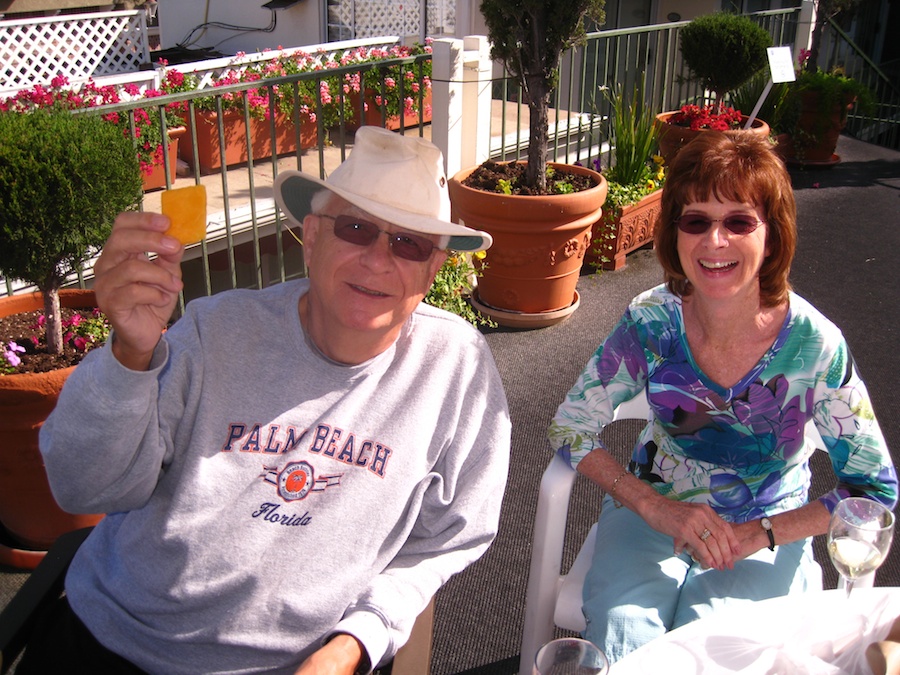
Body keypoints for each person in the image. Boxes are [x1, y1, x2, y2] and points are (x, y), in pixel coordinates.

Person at [27, 126, 511, 674]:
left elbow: (453, 535)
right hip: (123, 642)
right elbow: (84, 487)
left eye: (410, 243)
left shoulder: (455, 366)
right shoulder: (213, 333)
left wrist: (357, 640)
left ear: (433, 267)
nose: (378, 260)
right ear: (310, 236)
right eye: (355, 228)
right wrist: (127, 358)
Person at [548, 131, 897, 663]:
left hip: (763, 530)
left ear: (772, 235)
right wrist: (655, 507)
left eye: (738, 221)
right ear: (676, 234)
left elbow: (874, 490)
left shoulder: (815, 346)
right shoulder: (652, 320)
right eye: (696, 221)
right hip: (651, 513)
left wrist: (763, 533)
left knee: (721, 652)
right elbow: (571, 425)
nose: (715, 241)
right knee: (624, 635)